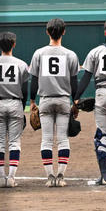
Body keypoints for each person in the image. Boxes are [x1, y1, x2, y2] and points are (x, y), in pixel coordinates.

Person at [29, 18, 80, 187]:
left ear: (47, 32)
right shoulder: (70, 54)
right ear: (63, 32)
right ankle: (61, 176)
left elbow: (34, 80)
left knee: (47, 140)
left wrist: (31, 100)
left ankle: (50, 177)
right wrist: (76, 102)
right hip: (64, 99)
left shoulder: (38, 53)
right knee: (63, 140)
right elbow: (74, 83)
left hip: (45, 99)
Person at [79, 17, 106, 186]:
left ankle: (105, 176)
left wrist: (76, 98)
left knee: (102, 136)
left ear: (105, 32)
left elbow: (85, 78)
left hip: (102, 93)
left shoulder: (95, 52)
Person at [0, 32, 30, 188]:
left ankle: (1, 178)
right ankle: (11, 177)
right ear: (14, 44)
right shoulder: (21, 64)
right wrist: (21, 109)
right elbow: (24, 90)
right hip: (16, 103)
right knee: (14, 142)